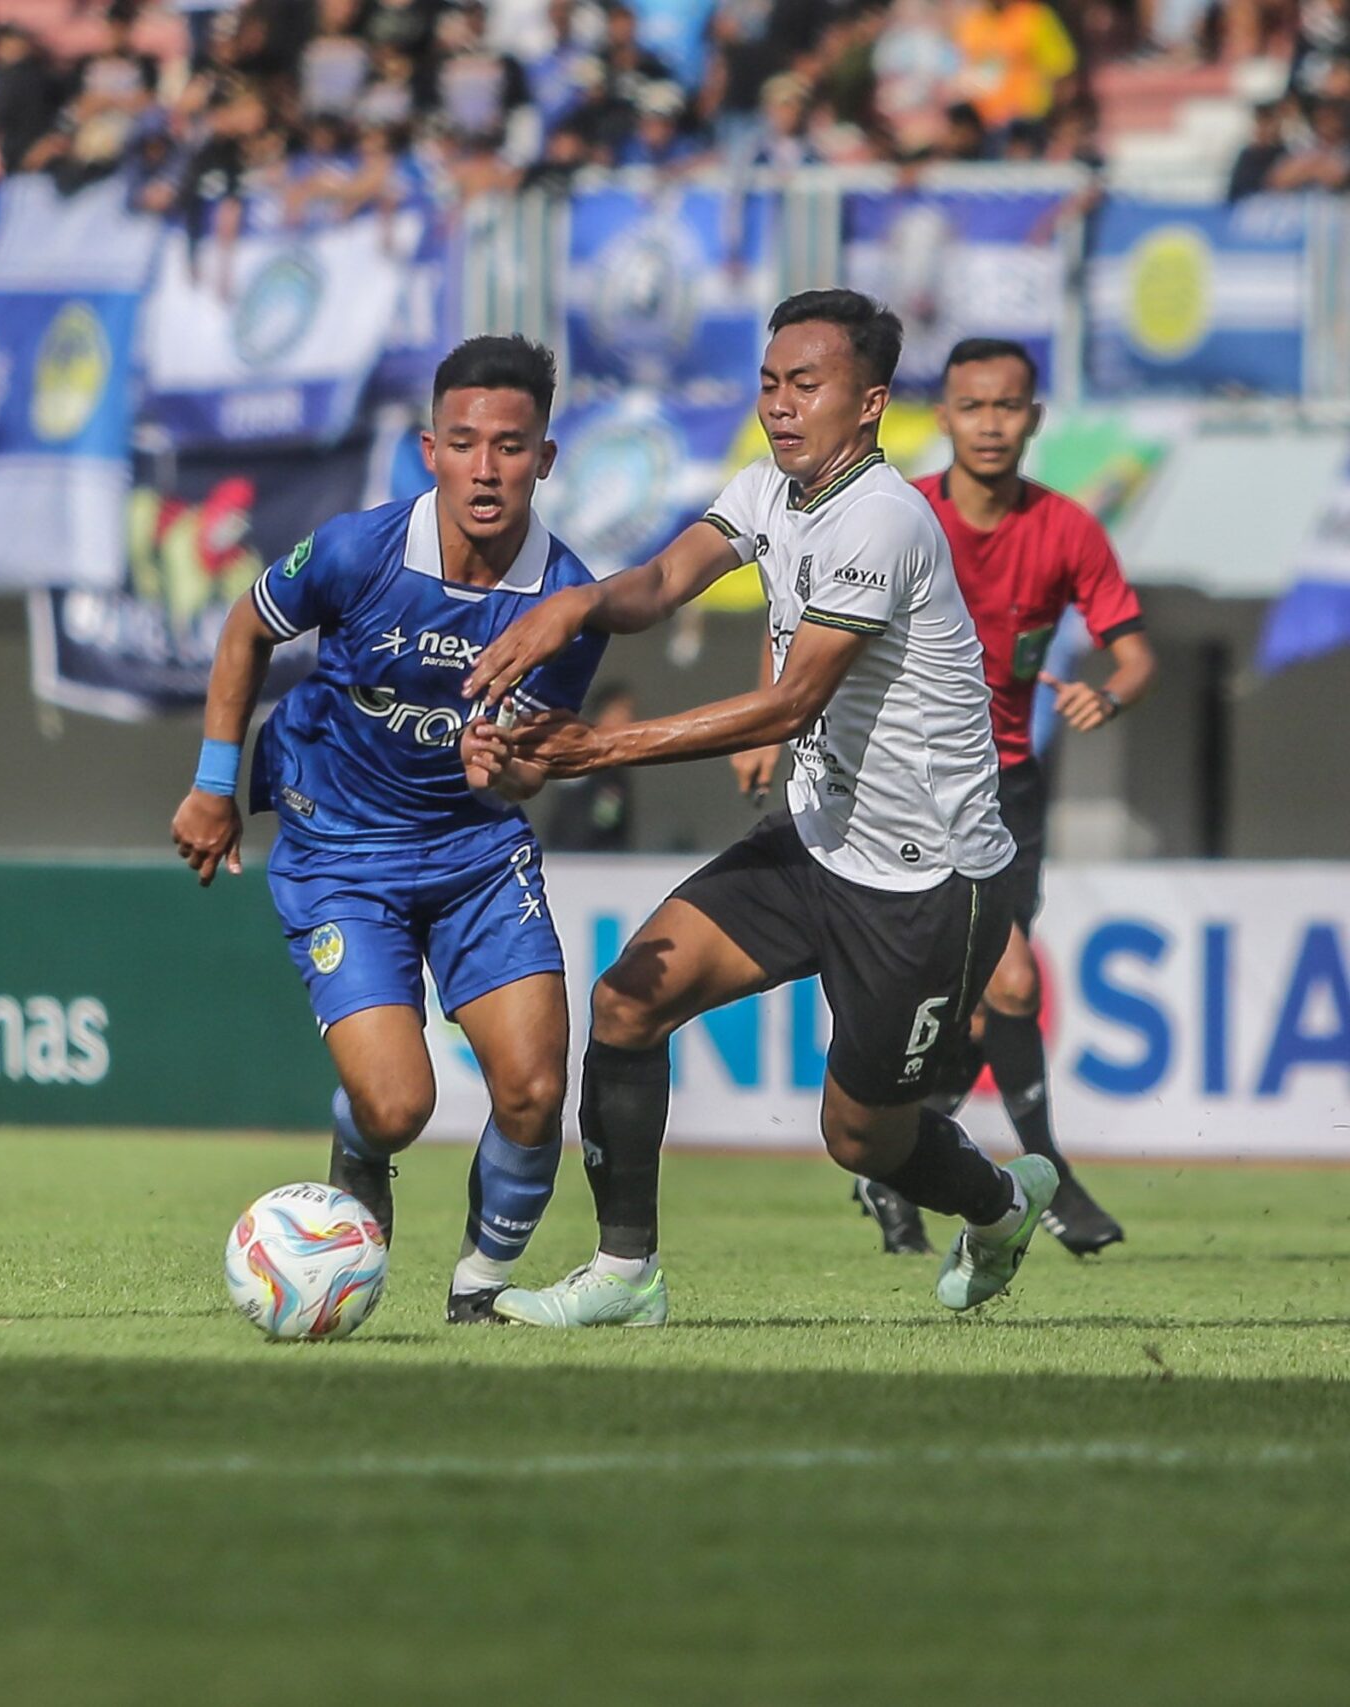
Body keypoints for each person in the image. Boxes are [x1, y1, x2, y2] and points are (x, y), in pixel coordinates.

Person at [460, 290, 1054, 1327]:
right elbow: (655, 587)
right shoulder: (767, 487)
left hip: (926, 878)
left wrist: (595, 748)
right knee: (626, 1004)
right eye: (770, 384)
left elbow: (790, 701)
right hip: (816, 842)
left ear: (867, 405)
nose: (780, 406)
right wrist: (576, 604)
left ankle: (1001, 1207)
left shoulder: (882, 519)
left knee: (861, 1138)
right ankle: (625, 1271)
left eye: (806, 386)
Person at [171, 335, 607, 1325]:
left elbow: (544, 756)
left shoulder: (568, 599)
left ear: (543, 457)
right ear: (429, 450)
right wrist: (211, 784)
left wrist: (514, 771)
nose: (485, 467)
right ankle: (361, 1145)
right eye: (464, 442)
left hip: (474, 856)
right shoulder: (354, 551)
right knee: (397, 1107)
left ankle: (477, 1293)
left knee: (535, 1092)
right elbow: (245, 628)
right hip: (337, 853)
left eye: (510, 445)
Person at [741, 337, 1150, 1257]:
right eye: (973, 406)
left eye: (1009, 407)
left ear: (1034, 419)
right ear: (944, 415)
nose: (991, 424)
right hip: (906, 791)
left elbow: (1134, 648)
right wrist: (773, 723)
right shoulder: (897, 510)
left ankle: (894, 1160)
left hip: (1009, 788)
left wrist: (1111, 690)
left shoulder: (1067, 529)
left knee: (980, 1001)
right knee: (1009, 981)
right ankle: (1045, 1177)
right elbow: (791, 612)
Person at [540, 681, 635, 850]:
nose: (628, 720)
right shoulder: (584, 759)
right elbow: (572, 821)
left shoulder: (617, 773)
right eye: (620, 712)